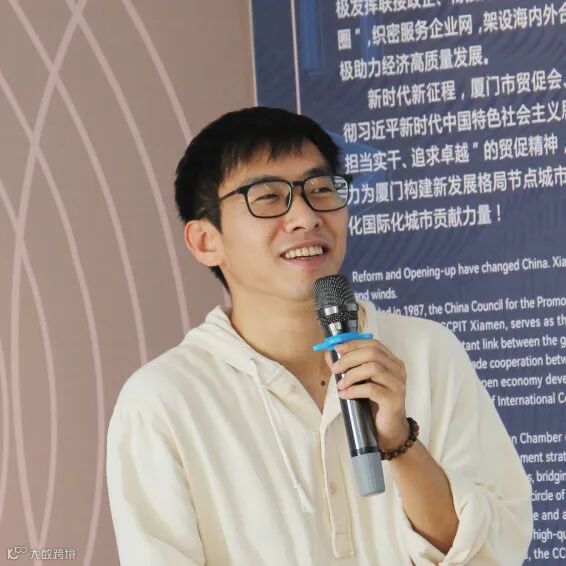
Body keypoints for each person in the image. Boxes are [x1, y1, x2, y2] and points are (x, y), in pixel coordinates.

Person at [106, 107, 533, 565]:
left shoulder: (428, 351)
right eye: (268, 197)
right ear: (206, 241)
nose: (306, 216)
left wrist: (399, 443)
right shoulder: (162, 400)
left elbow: (492, 549)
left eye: (321, 190)